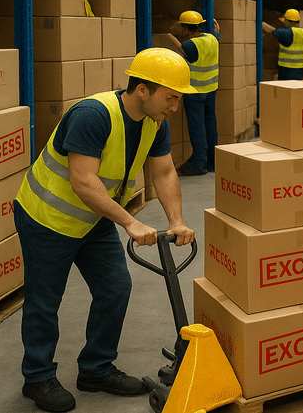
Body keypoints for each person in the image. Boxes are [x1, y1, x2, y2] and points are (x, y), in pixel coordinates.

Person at [14, 48, 198, 412]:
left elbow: (162, 172)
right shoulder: (92, 115)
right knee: (45, 300)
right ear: (142, 89)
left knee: (115, 288)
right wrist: (130, 221)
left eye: (178, 99)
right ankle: (37, 378)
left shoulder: (154, 121)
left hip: (93, 218)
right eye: (171, 98)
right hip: (47, 218)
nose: (175, 107)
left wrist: (175, 220)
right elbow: (83, 182)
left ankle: (96, 369)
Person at [166, 10, 219, 176]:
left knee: (197, 128)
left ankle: (198, 164)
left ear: (185, 29)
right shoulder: (213, 39)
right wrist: (217, 30)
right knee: (210, 125)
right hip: (211, 89)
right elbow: (216, 33)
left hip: (195, 92)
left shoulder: (190, 45)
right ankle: (212, 162)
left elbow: (179, 47)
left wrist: (167, 35)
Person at [261, 8, 303, 80]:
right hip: (300, 69)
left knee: (286, 90)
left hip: (288, 70)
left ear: (287, 21)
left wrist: (260, 22)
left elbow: (271, 30)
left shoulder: (287, 32)